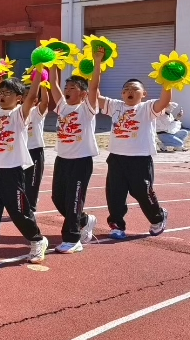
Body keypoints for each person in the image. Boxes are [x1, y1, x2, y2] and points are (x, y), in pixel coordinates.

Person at [0, 65, 49, 270]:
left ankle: (37, 239)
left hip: (12, 172)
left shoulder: (19, 114)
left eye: (8, 93)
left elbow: (33, 97)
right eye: (0, 92)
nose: (2, 96)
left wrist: (39, 71)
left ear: (18, 98)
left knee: (18, 212)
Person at [96, 66, 172, 239]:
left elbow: (164, 101)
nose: (129, 91)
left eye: (134, 89)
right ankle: (117, 225)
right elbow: (95, 95)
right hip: (116, 158)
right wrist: (96, 69)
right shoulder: (115, 106)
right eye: (126, 89)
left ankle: (158, 217)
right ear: (122, 94)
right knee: (115, 193)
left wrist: (168, 81)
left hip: (140, 159)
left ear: (143, 94)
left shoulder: (147, 107)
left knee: (143, 192)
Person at [48, 64, 100, 254]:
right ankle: (84, 220)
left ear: (83, 94)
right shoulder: (62, 106)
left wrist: (97, 64)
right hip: (62, 159)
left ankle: (72, 239)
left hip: (81, 161)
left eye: (72, 88)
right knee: (57, 198)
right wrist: (52, 64)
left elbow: (93, 86)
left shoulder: (87, 109)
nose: (67, 91)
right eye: (66, 88)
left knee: (73, 200)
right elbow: (53, 84)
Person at [25, 77, 51, 211]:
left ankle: (32, 208)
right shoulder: (17, 112)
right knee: (20, 182)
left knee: (33, 182)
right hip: (21, 152)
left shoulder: (36, 112)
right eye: (24, 96)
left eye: (30, 97)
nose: (26, 99)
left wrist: (43, 84)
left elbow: (45, 102)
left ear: (35, 100)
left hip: (35, 151)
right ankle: (23, 205)